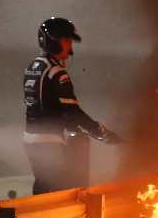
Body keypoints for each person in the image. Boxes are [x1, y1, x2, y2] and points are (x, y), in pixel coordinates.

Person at [23, 18, 120, 194]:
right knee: (58, 195)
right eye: (66, 41)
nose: (70, 47)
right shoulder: (56, 71)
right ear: (53, 42)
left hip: (31, 139)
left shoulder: (34, 66)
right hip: (50, 142)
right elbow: (72, 111)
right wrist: (101, 133)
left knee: (43, 189)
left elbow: (46, 104)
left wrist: (72, 127)